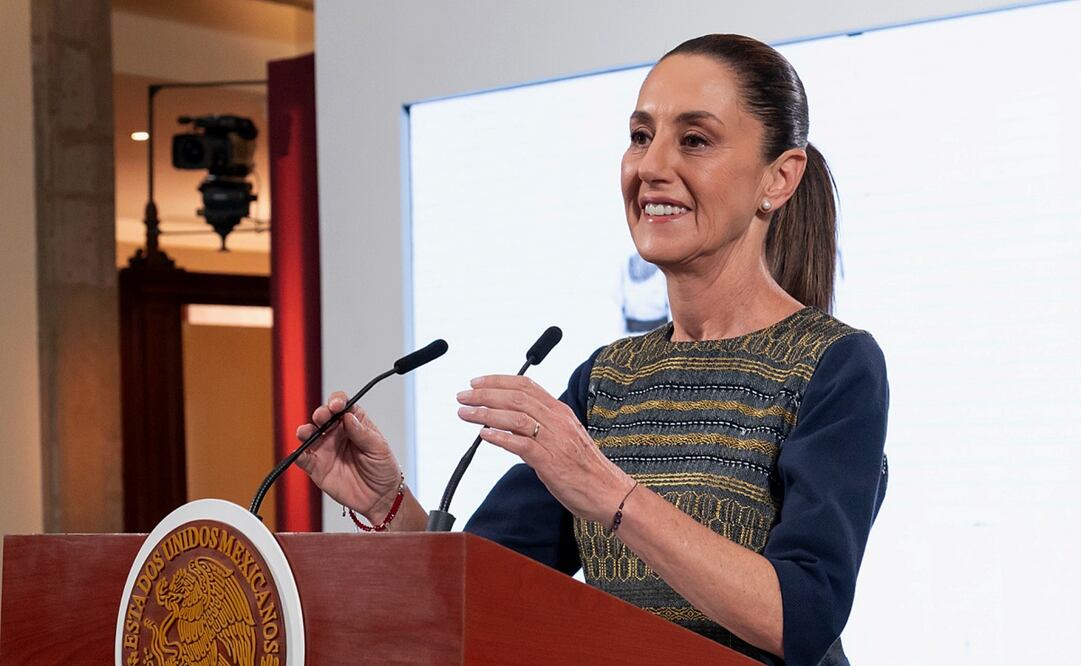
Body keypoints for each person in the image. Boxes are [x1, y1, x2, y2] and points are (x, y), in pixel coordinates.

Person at [296, 34, 888, 666]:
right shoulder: (608, 380)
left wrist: (604, 489)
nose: (650, 166)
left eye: (694, 139)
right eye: (640, 136)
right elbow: (482, 590)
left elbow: (801, 617)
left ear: (779, 176)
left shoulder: (835, 365)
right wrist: (388, 505)